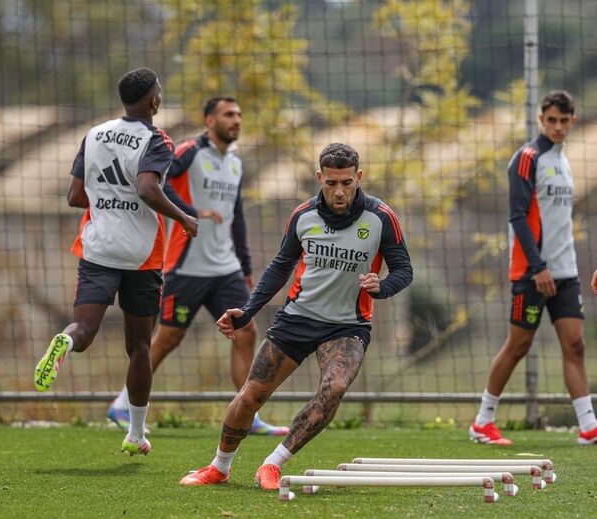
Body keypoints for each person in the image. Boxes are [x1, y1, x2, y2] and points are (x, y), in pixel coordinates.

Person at [180, 143, 412, 488]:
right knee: (250, 396)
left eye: (346, 183)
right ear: (319, 177)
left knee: (333, 389)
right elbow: (279, 267)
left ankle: (272, 464)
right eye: (331, 182)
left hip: (347, 326)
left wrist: (383, 285)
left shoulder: (380, 218)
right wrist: (247, 311)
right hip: (297, 319)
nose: (339, 191)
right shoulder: (303, 216)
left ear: (358, 178)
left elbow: (404, 270)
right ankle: (219, 467)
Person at [33, 68, 199, 456]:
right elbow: (146, 187)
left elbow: (75, 195)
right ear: (153, 100)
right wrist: (183, 217)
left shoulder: (94, 135)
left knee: (85, 328)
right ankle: (136, 434)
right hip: (140, 254)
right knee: (140, 346)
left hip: (98, 248)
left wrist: (108, 207)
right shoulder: (157, 139)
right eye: (159, 92)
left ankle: (65, 341)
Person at [107, 97, 288, 436]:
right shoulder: (190, 150)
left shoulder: (235, 162)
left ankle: (247, 415)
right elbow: (155, 184)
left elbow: (236, 219)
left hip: (226, 269)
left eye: (239, 114)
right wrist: (190, 211)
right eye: (228, 114)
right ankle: (121, 404)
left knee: (246, 331)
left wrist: (246, 265)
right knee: (167, 338)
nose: (236, 120)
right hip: (186, 266)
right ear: (209, 120)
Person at [469, 90, 597, 446]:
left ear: (572, 121)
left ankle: (589, 427)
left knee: (575, 344)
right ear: (542, 120)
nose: (557, 127)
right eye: (551, 120)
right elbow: (517, 216)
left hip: (566, 271)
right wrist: (538, 267)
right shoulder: (527, 158)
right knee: (518, 346)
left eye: (563, 121)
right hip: (531, 272)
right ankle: (483, 420)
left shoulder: (565, 160)